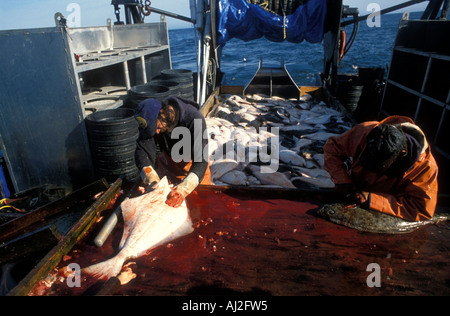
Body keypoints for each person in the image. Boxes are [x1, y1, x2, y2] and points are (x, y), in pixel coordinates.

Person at [323, 115, 438, 222]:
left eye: (378, 167)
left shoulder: (426, 168)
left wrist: (372, 200)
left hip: (386, 212)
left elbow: (420, 210)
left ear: (401, 154)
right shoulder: (364, 132)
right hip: (354, 195)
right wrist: (342, 180)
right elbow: (332, 147)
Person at [134, 96, 211, 207]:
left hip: (193, 166)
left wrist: (184, 189)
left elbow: (201, 161)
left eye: (157, 127)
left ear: (162, 113)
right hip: (168, 165)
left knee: (199, 207)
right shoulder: (151, 117)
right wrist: (151, 179)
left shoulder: (194, 118)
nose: (156, 131)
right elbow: (142, 151)